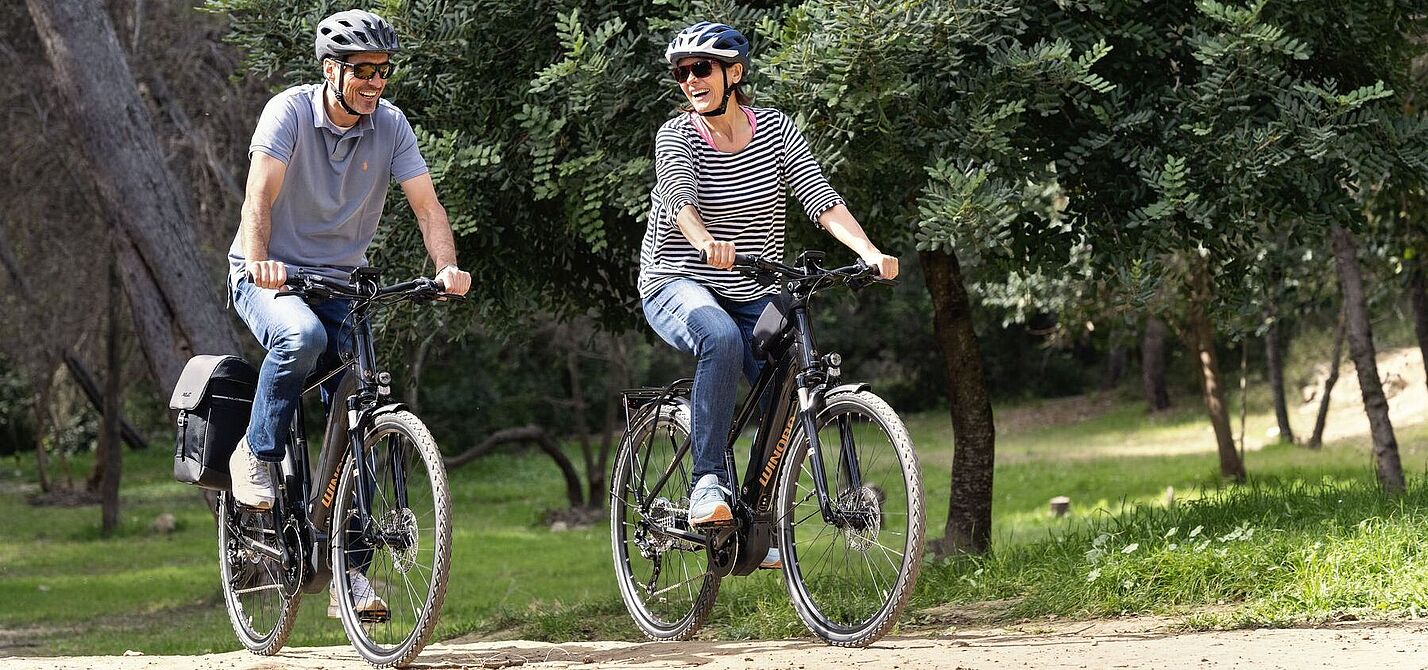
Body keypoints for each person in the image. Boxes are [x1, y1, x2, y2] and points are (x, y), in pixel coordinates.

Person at [225, 9, 471, 618]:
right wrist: (260, 262)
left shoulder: (391, 126)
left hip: (339, 283)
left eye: (383, 70)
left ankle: (350, 574)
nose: (375, 81)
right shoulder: (287, 112)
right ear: (331, 68)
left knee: (361, 400)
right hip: (268, 275)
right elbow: (259, 197)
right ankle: (255, 452)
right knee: (301, 336)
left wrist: (446, 267)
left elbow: (428, 207)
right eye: (363, 69)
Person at [638, 22, 900, 568]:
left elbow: (819, 198)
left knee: (791, 370)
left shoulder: (778, 130)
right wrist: (707, 241)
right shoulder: (677, 135)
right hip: (675, 279)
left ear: (734, 73)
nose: (690, 80)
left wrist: (868, 251)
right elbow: (680, 198)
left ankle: (763, 512)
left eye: (701, 69)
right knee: (720, 337)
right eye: (681, 72)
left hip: (750, 284)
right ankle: (707, 482)